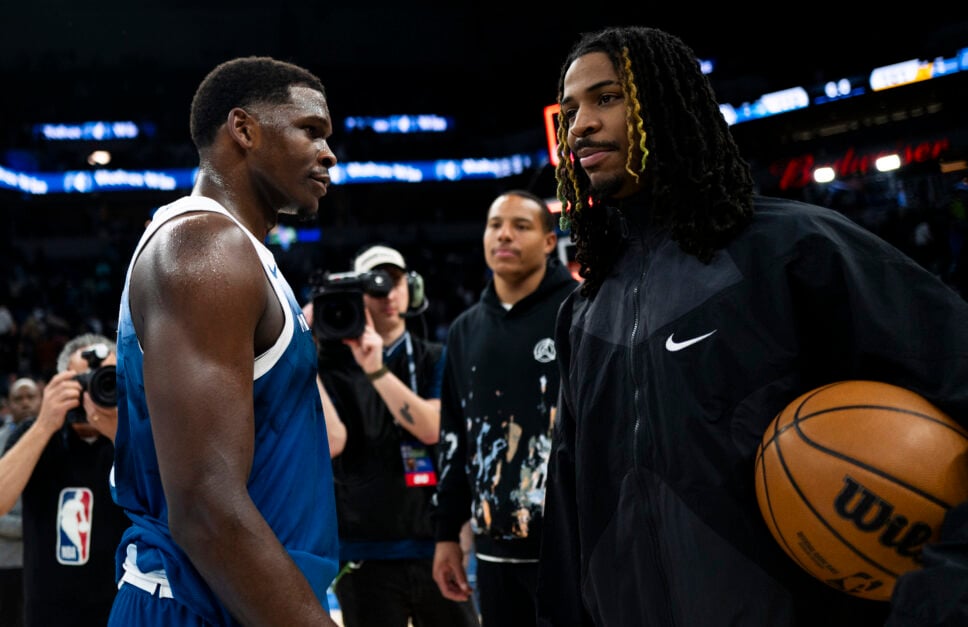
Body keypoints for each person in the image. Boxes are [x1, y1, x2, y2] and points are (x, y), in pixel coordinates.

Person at [535, 25, 968, 627]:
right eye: (573, 107)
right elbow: (568, 516)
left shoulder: (796, 248)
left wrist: (944, 590)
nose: (578, 124)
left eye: (607, 98)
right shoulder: (583, 313)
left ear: (666, 105)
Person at [108, 56, 341, 626]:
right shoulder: (206, 246)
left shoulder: (237, 251)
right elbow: (206, 508)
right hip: (198, 605)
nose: (329, 153)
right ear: (243, 129)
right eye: (310, 130)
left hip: (240, 600)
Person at [432, 189, 578, 626]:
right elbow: (455, 439)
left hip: (573, 547)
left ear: (550, 242)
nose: (504, 236)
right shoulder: (463, 331)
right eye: (495, 225)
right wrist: (446, 537)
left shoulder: (581, 311)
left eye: (521, 226)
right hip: (493, 554)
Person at [314, 243, 479, 627]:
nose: (387, 293)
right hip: (360, 550)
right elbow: (330, 442)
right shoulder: (327, 368)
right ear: (356, 298)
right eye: (375, 286)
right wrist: (308, 353)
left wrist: (375, 370)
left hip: (433, 542)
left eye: (395, 281)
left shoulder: (436, 356)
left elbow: (432, 427)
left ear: (412, 290)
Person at [0, 335, 128, 627]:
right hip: (48, 614)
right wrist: (46, 423)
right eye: (82, 381)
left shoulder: (138, 437)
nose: (92, 392)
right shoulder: (35, 433)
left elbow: (165, 507)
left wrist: (121, 435)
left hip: (121, 612)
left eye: (105, 380)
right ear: (61, 383)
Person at [0, 377, 40, 627]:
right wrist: (31, 527)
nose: (25, 404)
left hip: (43, 559)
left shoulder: (62, 438)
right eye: (18, 399)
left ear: (41, 400)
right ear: (8, 405)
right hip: (6, 562)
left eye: (30, 397)